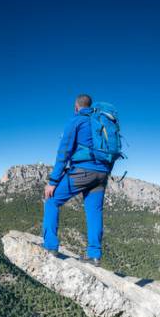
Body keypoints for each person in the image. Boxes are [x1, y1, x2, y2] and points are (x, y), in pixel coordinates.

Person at [42, 94, 114, 265]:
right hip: (102, 173)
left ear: (76, 107)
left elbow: (64, 152)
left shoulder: (76, 121)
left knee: (51, 200)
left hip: (83, 172)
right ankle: (94, 255)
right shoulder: (102, 121)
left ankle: (50, 246)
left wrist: (52, 182)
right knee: (94, 212)